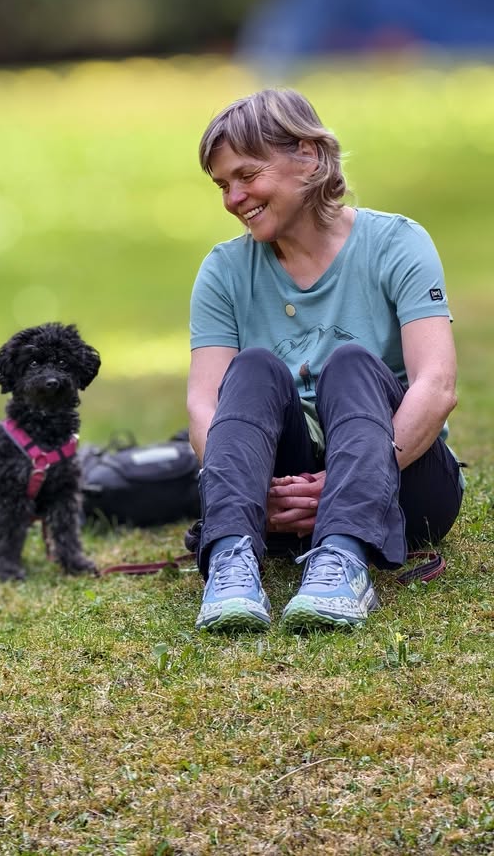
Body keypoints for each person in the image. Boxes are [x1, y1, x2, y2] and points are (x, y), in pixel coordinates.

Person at [187, 87, 463, 634]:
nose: (233, 199)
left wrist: (350, 481)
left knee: (351, 362)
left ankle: (345, 561)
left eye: (247, 175)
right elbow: (203, 404)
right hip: (283, 499)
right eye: (222, 185)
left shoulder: (398, 243)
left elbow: (436, 385)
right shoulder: (223, 271)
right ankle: (231, 560)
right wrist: (244, 490)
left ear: (308, 157)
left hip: (405, 480)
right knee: (254, 368)